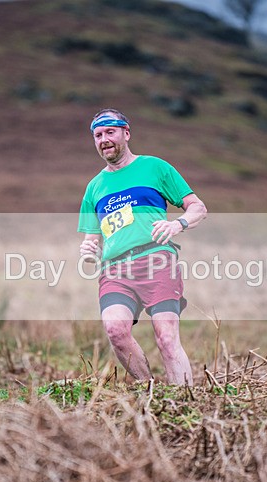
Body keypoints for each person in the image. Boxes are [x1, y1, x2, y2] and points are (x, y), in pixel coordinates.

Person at [78, 108, 207, 385]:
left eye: (110, 132)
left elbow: (198, 207)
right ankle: (150, 392)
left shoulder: (155, 167)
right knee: (115, 332)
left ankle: (183, 404)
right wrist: (89, 251)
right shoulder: (94, 188)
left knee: (166, 338)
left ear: (126, 133)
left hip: (156, 260)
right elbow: (91, 239)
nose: (104, 139)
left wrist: (178, 224)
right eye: (98, 135)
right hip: (114, 270)